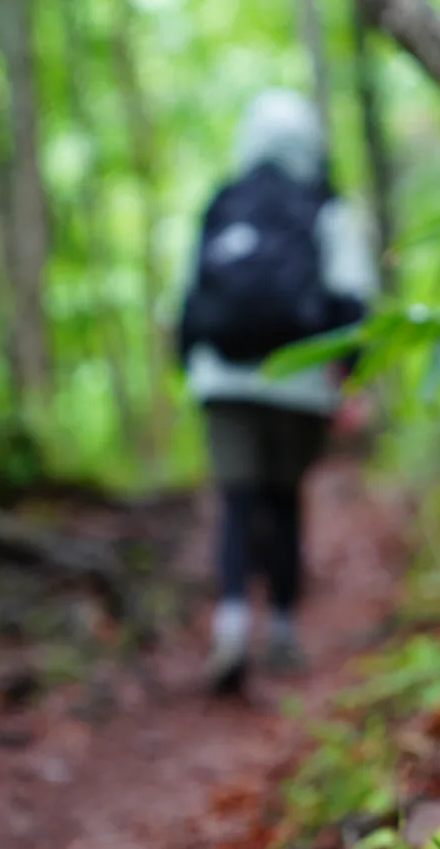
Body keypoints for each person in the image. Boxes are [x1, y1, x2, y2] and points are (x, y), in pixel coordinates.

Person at [177, 88, 377, 694]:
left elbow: (188, 298)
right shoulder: (324, 205)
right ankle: (284, 628)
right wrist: (353, 381)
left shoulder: (222, 202)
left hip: (222, 378)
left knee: (237, 503)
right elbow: (350, 300)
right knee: (285, 502)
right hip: (298, 377)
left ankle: (232, 621)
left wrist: (190, 369)